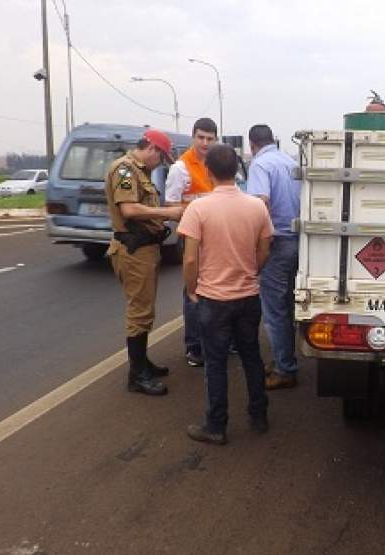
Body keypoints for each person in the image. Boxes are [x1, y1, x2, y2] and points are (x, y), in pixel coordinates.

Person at [178, 144, 273, 445]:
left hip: (213, 299)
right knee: (251, 357)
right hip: (248, 296)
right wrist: (251, 272)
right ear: (237, 170)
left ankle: (216, 426)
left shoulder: (198, 209)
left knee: (215, 363)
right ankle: (259, 416)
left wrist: (192, 289)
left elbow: (190, 259)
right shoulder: (257, 207)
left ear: (208, 171)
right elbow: (265, 249)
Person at [105, 129, 183, 396]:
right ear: (151, 149)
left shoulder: (140, 171)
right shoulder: (125, 169)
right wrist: (168, 213)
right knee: (139, 312)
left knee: (145, 309)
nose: (160, 163)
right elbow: (128, 209)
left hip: (145, 249)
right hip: (134, 249)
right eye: (160, 158)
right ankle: (137, 375)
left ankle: (142, 362)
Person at [246, 124, 302, 390]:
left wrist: (258, 243)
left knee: (274, 310)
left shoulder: (260, 165)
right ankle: (284, 359)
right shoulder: (289, 161)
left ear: (252, 145)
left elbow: (260, 203)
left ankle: (285, 369)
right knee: (288, 306)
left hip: (276, 243)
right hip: (297, 241)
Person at [165, 118, 218, 368]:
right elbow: (171, 205)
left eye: (210, 138)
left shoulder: (216, 163)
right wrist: (198, 213)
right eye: (201, 137)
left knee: (216, 290)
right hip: (194, 237)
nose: (205, 143)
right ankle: (195, 347)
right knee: (193, 290)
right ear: (193, 137)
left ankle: (217, 342)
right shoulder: (180, 168)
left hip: (216, 238)